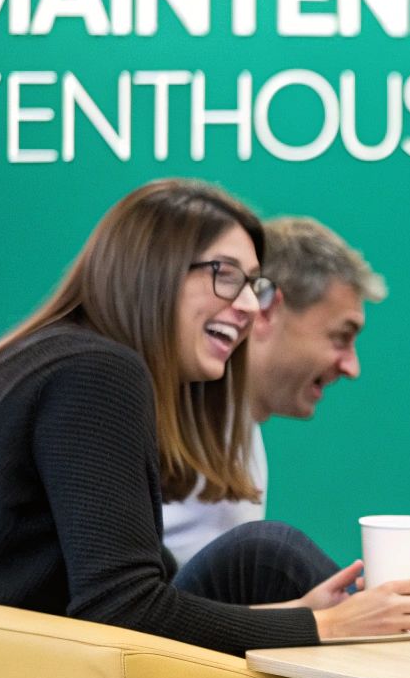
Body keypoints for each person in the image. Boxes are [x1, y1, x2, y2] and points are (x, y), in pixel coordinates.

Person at [0, 179, 410, 655]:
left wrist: (303, 617)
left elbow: (122, 600)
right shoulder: (97, 373)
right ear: (152, 270)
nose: (243, 306)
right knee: (270, 557)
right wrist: (328, 629)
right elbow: (123, 610)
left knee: (264, 560)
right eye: (224, 275)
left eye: (253, 285)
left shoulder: (59, 358)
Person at [163, 216, 385, 567]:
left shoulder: (242, 428)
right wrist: (319, 621)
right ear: (267, 309)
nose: (351, 368)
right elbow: (132, 604)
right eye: (341, 336)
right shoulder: (156, 424)